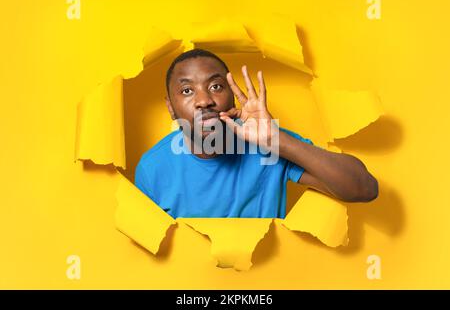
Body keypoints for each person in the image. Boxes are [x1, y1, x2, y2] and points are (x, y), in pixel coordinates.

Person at [135, 49, 378, 218]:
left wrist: (277, 141)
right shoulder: (152, 167)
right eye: (187, 90)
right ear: (171, 107)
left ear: (232, 95)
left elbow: (364, 189)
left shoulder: (269, 144)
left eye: (216, 87)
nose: (204, 100)